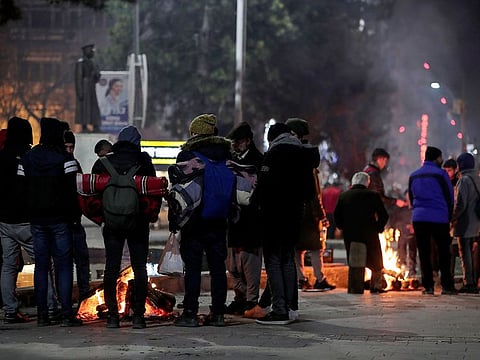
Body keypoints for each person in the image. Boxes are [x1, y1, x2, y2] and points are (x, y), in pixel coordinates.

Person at [19, 117, 83, 326]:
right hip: (60, 221)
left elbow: (22, 188)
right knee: (63, 267)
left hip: (37, 220)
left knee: (41, 267)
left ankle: (42, 315)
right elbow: (73, 193)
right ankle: (66, 314)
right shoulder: (66, 160)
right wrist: (74, 219)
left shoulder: (27, 158)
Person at [251, 122, 316, 325]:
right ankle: (289, 308)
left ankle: (279, 310)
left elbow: (263, 186)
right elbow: (310, 192)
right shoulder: (302, 154)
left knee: (273, 261)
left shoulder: (275, 153)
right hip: (294, 215)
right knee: (288, 260)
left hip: (274, 215)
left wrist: (255, 203)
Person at [91, 125, 156, 329]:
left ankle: (112, 317)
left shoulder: (103, 162)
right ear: (137, 142)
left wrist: (103, 217)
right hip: (137, 223)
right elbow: (154, 191)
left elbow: (93, 195)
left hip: (112, 224)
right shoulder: (143, 161)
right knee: (139, 268)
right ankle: (138, 316)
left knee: (111, 268)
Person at [171, 114, 233, 328]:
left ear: (196, 133)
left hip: (195, 221)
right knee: (218, 269)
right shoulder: (227, 155)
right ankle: (218, 313)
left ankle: (190, 312)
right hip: (219, 219)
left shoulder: (188, 155)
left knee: (194, 268)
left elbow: (178, 188)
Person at [285, 118, 335, 292]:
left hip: (294, 211)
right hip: (309, 214)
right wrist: (321, 215)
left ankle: (300, 278)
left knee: (298, 249)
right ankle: (319, 278)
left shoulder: (287, 156)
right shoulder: (307, 160)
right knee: (315, 248)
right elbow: (314, 192)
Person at [224, 121, 264, 317]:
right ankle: (239, 297)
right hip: (233, 220)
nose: (234, 145)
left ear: (247, 142)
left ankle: (251, 301)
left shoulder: (258, 161)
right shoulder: (230, 160)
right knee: (232, 264)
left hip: (251, 221)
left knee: (250, 264)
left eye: (237, 142)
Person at [408, 146, 456, 296]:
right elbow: (449, 197)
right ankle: (446, 286)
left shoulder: (414, 176)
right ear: (437, 158)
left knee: (424, 252)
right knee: (443, 252)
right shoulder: (441, 174)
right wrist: (449, 217)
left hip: (419, 218)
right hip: (439, 217)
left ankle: (428, 286)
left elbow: (411, 197)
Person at [0, 117, 34, 323]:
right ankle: (50, 306)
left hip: (4, 220)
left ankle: (10, 310)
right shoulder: (28, 158)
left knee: (8, 265)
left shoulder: (1, 156)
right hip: (26, 220)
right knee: (44, 262)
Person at [334, 172, 389, 294]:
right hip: (370, 234)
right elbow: (384, 215)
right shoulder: (373, 195)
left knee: (355, 261)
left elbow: (337, 216)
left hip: (351, 235)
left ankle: (355, 287)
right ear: (367, 183)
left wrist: (342, 227)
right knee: (375, 261)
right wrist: (378, 228)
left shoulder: (344, 196)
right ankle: (376, 286)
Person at [64, 130, 90, 302]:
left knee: (81, 260)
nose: (69, 150)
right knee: (66, 264)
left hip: (74, 220)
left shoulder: (74, 164)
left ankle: (84, 296)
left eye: (71, 147)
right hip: (64, 222)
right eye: (66, 147)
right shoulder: (66, 164)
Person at [452, 153, 480, 294]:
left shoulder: (464, 180)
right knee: (475, 253)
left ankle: (469, 282)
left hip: (466, 223)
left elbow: (461, 204)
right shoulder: (477, 178)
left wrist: (452, 217)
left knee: (465, 253)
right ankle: (475, 280)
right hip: (477, 222)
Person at [390, 190, 417, 279]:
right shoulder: (401, 209)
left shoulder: (416, 209)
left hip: (414, 235)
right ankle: (402, 268)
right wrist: (404, 226)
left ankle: (412, 270)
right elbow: (395, 221)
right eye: (407, 197)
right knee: (401, 248)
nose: (409, 199)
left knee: (412, 251)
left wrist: (413, 227)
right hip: (403, 234)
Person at [75, 44, 101, 133]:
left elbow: (97, 77)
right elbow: (78, 78)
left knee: (93, 106)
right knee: (85, 107)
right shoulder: (80, 62)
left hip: (91, 86)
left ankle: (95, 125)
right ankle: (84, 125)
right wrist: (80, 92)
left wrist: (96, 75)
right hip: (84, 86)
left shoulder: (93, 62)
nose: (93, 52)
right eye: (91, 50)